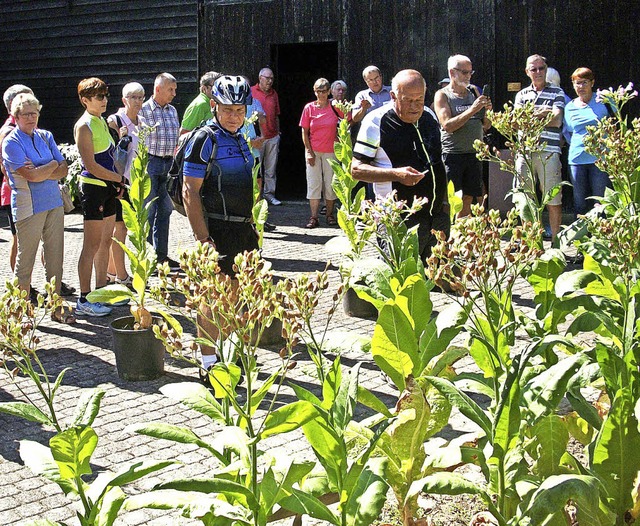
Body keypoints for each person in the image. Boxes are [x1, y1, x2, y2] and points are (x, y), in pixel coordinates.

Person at [181, 75, 257, 375]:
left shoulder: (239, 137)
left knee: (238, 296)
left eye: (240, 110)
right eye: (228, 109)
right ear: (214, 106)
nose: (235, 116)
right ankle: (209, 364)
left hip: (243, 229)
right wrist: (203, 239)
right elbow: (190, 191)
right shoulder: (205, 138)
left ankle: (229, 355)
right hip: (216, 228)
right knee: (212, 299)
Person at [351, 69, 449, 262]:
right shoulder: (375, 121)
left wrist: (445, 204)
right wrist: (396, 174)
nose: (415, 107)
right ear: (393, 96)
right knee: (398, 279)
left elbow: (437, 161)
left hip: (436, 215)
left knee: (441, 280)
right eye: (408, 100)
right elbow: (356, 169)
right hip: (399, 219)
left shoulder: (429, 115)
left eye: (419, 99)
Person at [2, 93, 74, 323]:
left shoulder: (46, 136)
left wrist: (47, 168)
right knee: (26, 261)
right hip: (28, 207)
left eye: (34, 113)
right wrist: (52, 165)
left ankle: (55, 306)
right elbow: (31, 176)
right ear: (16, 116)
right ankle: (19, 310)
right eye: (26, 114)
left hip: (53, 203)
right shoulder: (11, 142)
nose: (31, 118)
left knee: (55, 258)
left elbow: (64, 170)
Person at [74, 77, 126, 317]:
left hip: (108, 187)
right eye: (98, 97)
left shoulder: (101, 121)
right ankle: (84, 298)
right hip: (93, 188)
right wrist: (117, 179)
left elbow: (111, 157)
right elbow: (91, 165)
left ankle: (101, 291)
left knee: (107, 241)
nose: (104, 100)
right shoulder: (84, 125)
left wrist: (118, 180)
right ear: (85, 101)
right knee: (91, 245)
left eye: (105, 96)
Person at [514, 54, 566, 241]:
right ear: (527, 72)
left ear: (546, 69)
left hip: (549, 151)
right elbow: (516, 123)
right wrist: (543, 113)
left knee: (553, 198)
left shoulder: (557, 92)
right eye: (533, 69)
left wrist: (530, 115)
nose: (538, 72)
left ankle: (555, 243)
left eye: (541, 68)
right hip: (525, 153)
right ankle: (531, 242)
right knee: (525, 200)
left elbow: (557, 120)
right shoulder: (521, 95)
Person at [434, 55, 492, 218]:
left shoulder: (474, 91)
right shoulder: (442, 95)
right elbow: (447, 125)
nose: (468, 76)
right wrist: (472, 109)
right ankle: (448, 231)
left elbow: (486, 125)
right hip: (453, 154)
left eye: (470, 72)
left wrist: (486, 111)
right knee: (452, 198)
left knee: (469, 196)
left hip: (474, 154)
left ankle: (462, 232)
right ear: (452, 73)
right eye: (464, 72)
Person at [106, 82, 146, 287]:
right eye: (133, 97)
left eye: (141, 97)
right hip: (119, 183)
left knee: (124, 229)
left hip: (136, 182)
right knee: (119, 229)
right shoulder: (115, 120)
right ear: (124, 100)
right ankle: (122, 276)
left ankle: (111, 272)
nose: (138, 101)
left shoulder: (142, 122)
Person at [140, 72, 180, 267]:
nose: (174, 93)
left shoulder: (172, 110)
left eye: (175, 90)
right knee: (149, 211)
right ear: (158, 89)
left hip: (168, 164)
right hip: (150, 163)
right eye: (170, 89)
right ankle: (149, 259)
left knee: (165, 210)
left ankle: (161, 256)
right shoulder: (143, 110)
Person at [564, 67, 611, 217]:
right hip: (577, 159)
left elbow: (616, 125)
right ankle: (582, 237)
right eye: (577, 83)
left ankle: (602, 236)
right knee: (580, 202)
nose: (581, 87)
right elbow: (569, 132)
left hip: (600, 159)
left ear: (592, 83)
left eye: (584, 82)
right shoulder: (570, 107)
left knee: (601, 201)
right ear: (573, 85)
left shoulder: (604, 101)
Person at [299, 78, 343, 228]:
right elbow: (304, 132)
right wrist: (309, 152)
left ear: (329, 91)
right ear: (314, 91)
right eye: (318, 91)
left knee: (331, 184)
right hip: (314, 151)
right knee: (314, 184)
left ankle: (330, 215)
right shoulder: (309, 108)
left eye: (324, 91)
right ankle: (313, 217)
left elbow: (349, 121)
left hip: (331, 151)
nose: (321, 94)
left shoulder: (335, 106)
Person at [251, 67, 281, 206]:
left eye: (272, 79)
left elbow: (276, 115)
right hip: (257, 138)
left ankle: (269, 195)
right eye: (267, 78)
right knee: (257, 168)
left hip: (272, 136)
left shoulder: (274, 94)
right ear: (260, 78)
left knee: (270, 169)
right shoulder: (251, 92)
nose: (270, 81)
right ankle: (257, 196)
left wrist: (278, 133)